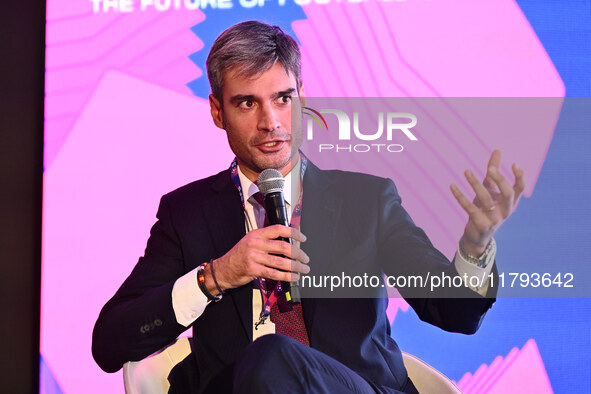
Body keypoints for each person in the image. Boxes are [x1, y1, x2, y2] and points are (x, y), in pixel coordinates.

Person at [92, 21, 525, 393]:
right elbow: (110, 344)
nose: (272, 122)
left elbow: (457, 314)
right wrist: (217, 275)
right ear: (217, 111)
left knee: (275, 356)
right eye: (247, 103)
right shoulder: (186, 214)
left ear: (303, 96)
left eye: (283, 98)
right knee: (265, 362)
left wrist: (475, 244)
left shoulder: (365, 201)